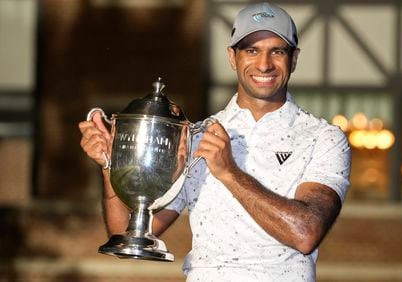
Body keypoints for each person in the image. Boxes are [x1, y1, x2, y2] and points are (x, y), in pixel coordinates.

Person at [79, 2, 351, 281]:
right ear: (232, 57)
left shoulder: (324, 138)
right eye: (251, 50)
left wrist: (229, 172)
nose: (264, 64)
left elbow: (304, 233)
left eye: (277, 51)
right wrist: (111, 164)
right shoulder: (195, 135)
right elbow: (125, 231)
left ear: (293, 59)